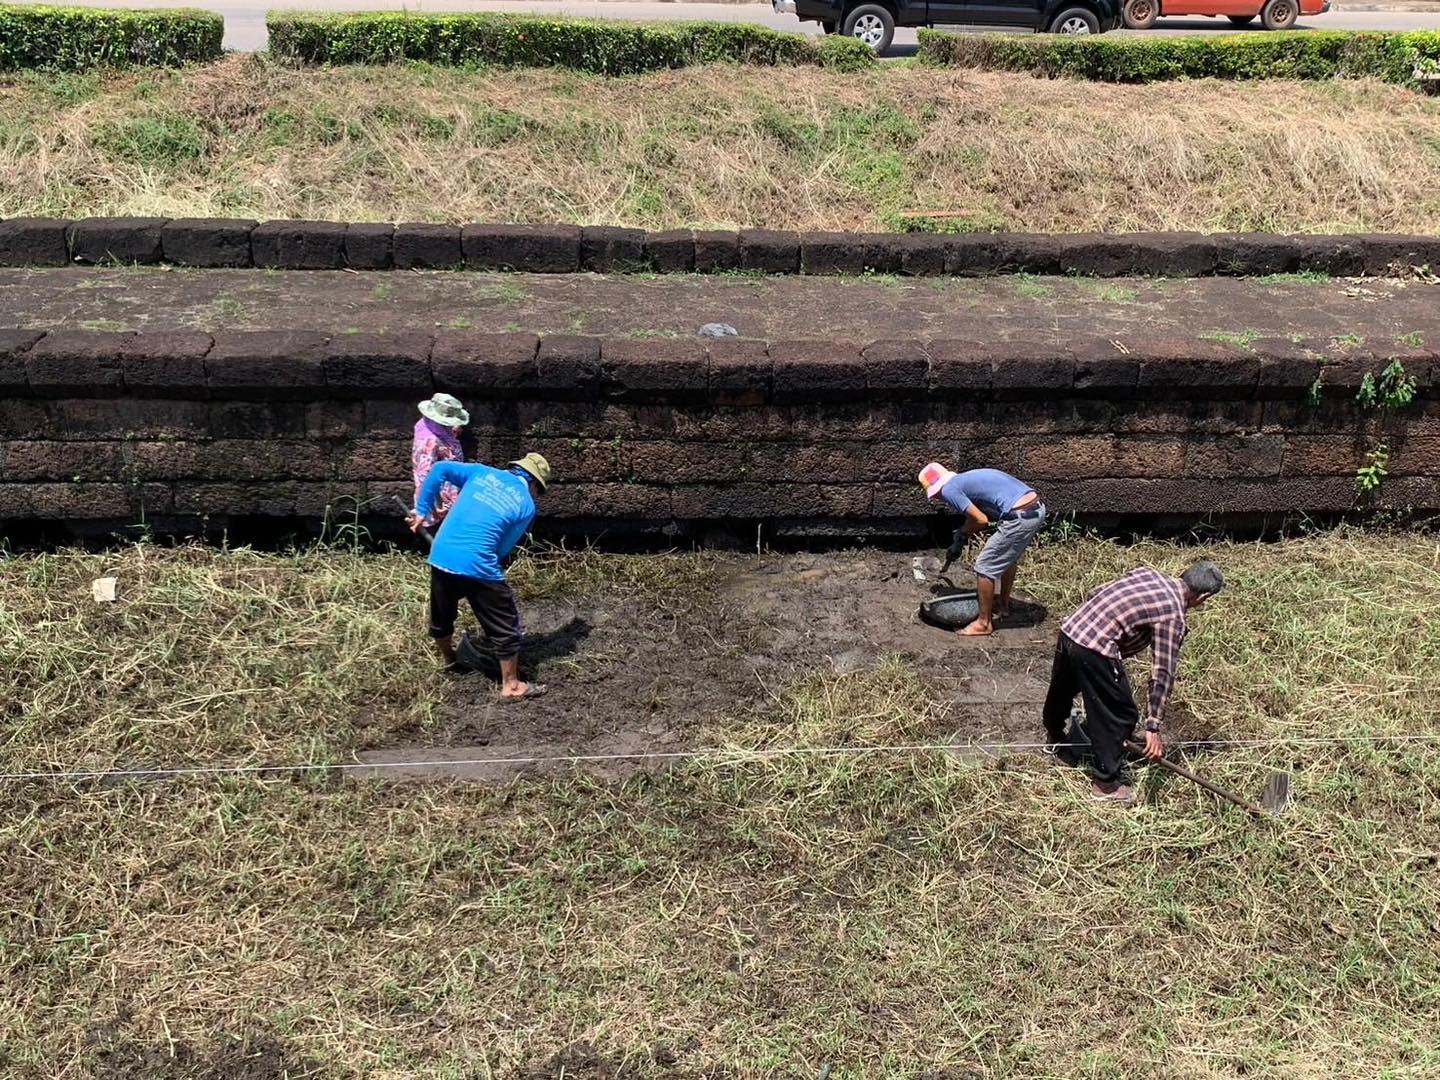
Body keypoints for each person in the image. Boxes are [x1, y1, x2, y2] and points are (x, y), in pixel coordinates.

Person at [1041, 561, 1224, 804]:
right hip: (1096, 648)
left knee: (1062, 689)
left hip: (1072, 628)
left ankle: (1055, 738)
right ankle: (1105, 785)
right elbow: (1163, 673)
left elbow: (1096, 592)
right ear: (1204, 597)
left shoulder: (1148, 573)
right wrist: (1153, 727)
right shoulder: (1173, 614)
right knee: (1120, 714)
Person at [410, 452, 552, 700]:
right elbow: (503, 548)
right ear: (535, 485)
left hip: (441, 553)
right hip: (478, 561)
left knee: (442, 614)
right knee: (506, 625)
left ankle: (450, 660)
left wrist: (422, 511)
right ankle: (512, 685)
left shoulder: (482, 472)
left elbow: (440, 468)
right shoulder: (527, 505)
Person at [919, 462, 1046, 637]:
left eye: (935, 495)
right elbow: (975, 518)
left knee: (985, 566)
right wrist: (961, 536)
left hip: (1019, 516)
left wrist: (962, 533)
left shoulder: (949, 490)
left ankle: (983, 623)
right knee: (1007, 559)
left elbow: (980, 520)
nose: (938, 499)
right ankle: (1002, 605)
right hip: (1035, 509)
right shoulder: (965, 480)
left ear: (937, 489)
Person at [412, 393, 469, 526]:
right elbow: (424, 476)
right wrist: (434, 506)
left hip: (452, 490)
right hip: (440, 499)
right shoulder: (429, 441)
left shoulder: (431, 425)